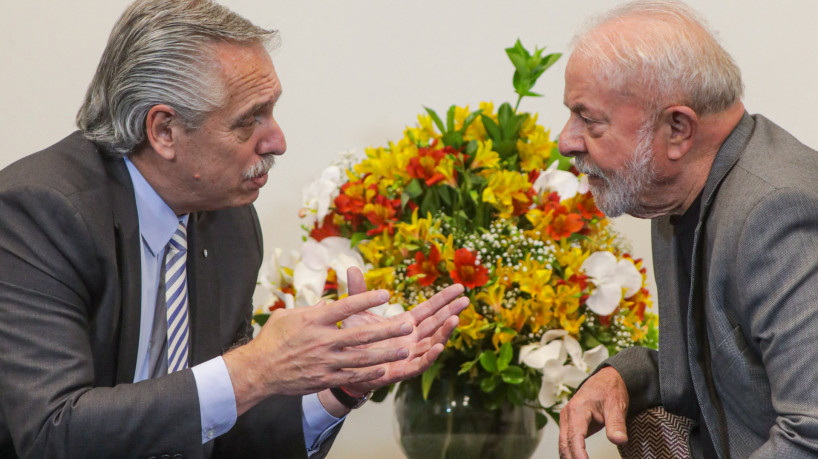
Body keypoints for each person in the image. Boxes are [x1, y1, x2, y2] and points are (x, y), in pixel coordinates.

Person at [0, 0, 469, 457]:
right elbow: (51, 434)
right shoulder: (40, 212)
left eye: (272, 110)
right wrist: (255, 368)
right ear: (164, 131)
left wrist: (340, 387)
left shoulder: (230, 223)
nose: (278, 141)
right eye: (250, 120)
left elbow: (213, 428)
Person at [555, 0, 818, 458]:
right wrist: (620, 375)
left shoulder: (776, 211)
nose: (565, 140)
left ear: (677, 129)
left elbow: (810, 432)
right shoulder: (675, 194)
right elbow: (723, 372)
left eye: (589, 119)